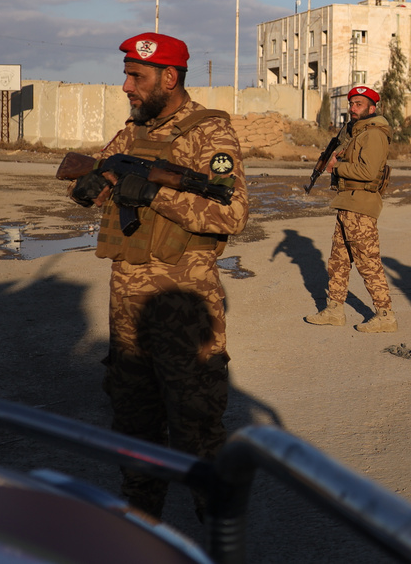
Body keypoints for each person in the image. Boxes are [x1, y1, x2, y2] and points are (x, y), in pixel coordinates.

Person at [67, 32, 249, 519]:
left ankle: (217, 537)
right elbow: (105, 179)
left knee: (196, 427)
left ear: (169, 77)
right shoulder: (132, 131)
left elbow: (231, 216)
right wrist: (95, 184)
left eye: (136, 77)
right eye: (126, 74)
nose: (126, 85)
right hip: (126, 303)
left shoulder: (210, 134)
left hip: (182, 303)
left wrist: (152, 194)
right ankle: (140, 527)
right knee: (133, 420)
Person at [305, 86, 396, 333]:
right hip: (347, 202)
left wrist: (337, 168)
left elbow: (368, 172)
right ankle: (334, 310)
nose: (353, 108)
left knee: (368, 262)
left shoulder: (374, 134)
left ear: (372, 108)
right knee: (338, 261)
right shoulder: (355, 133)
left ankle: (385, 315)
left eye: (359, 104)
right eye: (352, 104)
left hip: (362, 206)